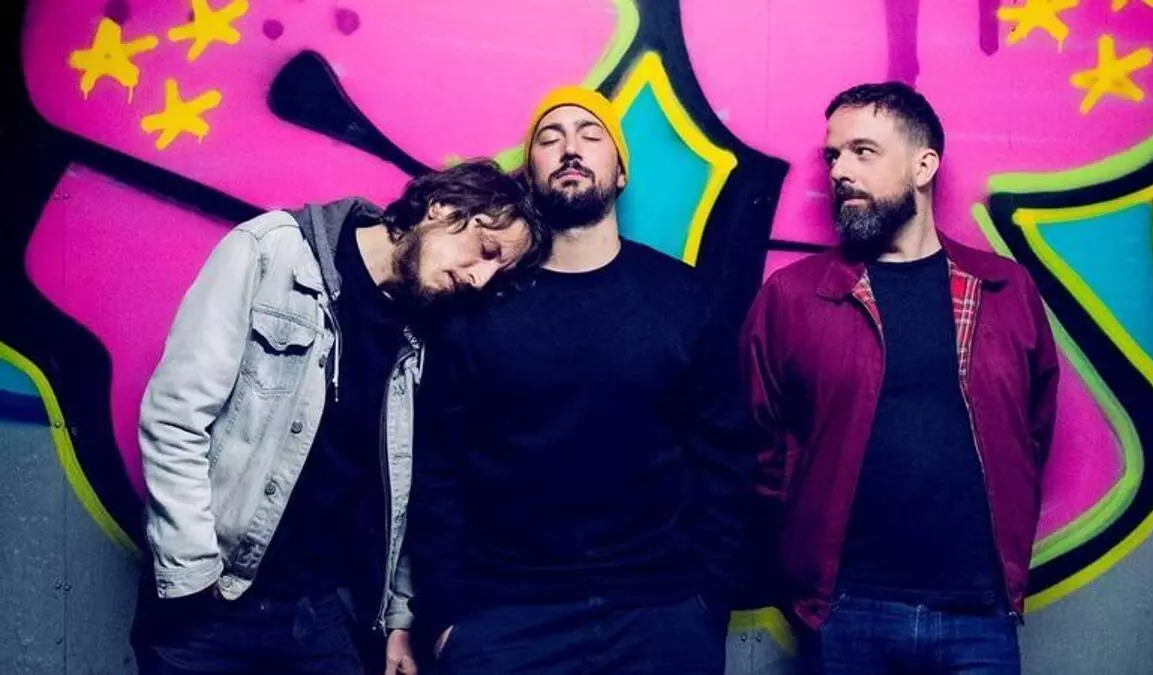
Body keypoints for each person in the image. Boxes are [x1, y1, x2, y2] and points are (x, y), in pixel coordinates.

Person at [133, 159, 546, 675]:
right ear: (442, 207)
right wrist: (194, 576)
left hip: (317, 610)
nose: (479, 279)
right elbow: (175, 417)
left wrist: (399, 619)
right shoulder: (275, 253)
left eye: (497, 275)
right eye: (485, 251)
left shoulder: (425, 335)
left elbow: (412, 486)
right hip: (212, 602)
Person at [408, 87, 754, 675]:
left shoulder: (683, 297)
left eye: (591, 135)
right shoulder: (479, 300)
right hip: (506, 619)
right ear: (530, 173)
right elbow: (438, 467)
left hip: (660, 614)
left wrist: (707, 600)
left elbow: (726, 455)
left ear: (620, 173)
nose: (570, 148)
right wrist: (446, 621)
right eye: (551, 138)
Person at [740, 82, 1060, 674]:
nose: (840, 171)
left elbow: (1032, 431)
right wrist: (799, 561)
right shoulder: (792, 297)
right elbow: (759, 445)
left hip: (979, 613)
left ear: (923, 165)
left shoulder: (1005, 291)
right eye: (833, 155)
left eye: (863, 151)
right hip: (846, 610)